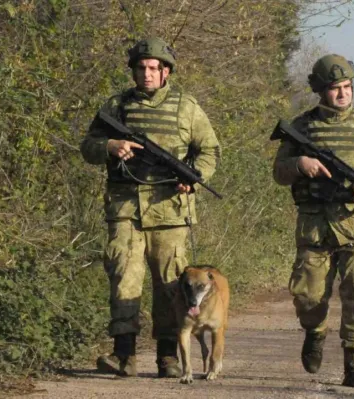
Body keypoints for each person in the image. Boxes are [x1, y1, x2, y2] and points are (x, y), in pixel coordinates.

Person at [80, 37, 221, 378]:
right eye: (141, 68)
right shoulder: (116, 106)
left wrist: (196, 176)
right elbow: (88, 146)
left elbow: (209, 150)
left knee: (172, 285)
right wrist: (111, 145)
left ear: (166, 71)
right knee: (123, 279)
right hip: (126, 207)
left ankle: (168, 357)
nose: (146, 74)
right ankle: (123, 355)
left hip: (170, 210)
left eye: (153, 68)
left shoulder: (186, 107)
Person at [272, 54, 354, 389]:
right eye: (335, 88)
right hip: (315, 224)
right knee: (308, 297)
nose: (343, 94)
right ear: (320, 90)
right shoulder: (301, 127)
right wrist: (301, 163)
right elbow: (279, 172)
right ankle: (315, 331)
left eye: (347, 87)